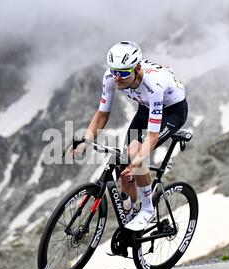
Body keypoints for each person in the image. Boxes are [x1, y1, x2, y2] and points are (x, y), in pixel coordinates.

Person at [70, 41, 188, 231]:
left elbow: (153, 136)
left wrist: (137, 161)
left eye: (124, 73)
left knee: (137, 156)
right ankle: (132, 211)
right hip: (145, 107)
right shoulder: (111, 76)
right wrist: (85, 141)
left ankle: (148, 210)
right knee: (125, 165)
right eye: (114, 71)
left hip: (172, 112)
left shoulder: (154, 86)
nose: (117, 78)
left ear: (138, 68)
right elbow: (102, 115)